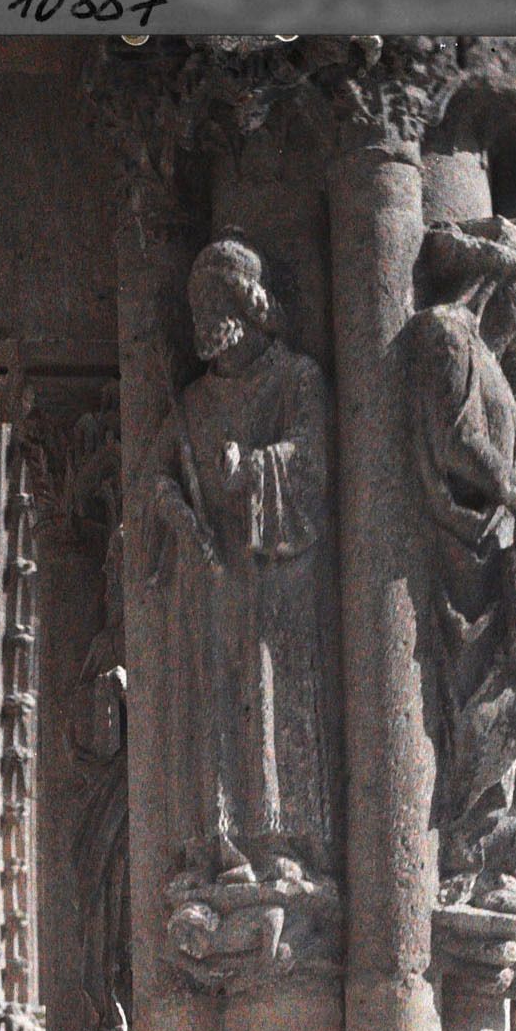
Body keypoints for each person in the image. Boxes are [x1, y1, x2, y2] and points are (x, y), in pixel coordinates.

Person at [148, 234, 336, 899]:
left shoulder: (295, 379)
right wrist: (177, 510)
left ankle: (283, 848)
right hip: (211, 580)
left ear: (248, 305)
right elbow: (157, 475)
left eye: (217, 304)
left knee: (272, 704)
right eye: (198, 309)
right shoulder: (193, 402)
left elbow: (312, 461)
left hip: (272, 578)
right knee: (214, 710)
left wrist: (252, 469)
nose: (207, 322)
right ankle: (218, 847)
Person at [406, 215, 516, 926]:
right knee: (485, 703)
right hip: (477, 554)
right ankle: (471, 857)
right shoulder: (443, 332)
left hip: (508, 564)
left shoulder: (490, 359)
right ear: (492, 281)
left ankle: (504, 855)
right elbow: (456, 437)